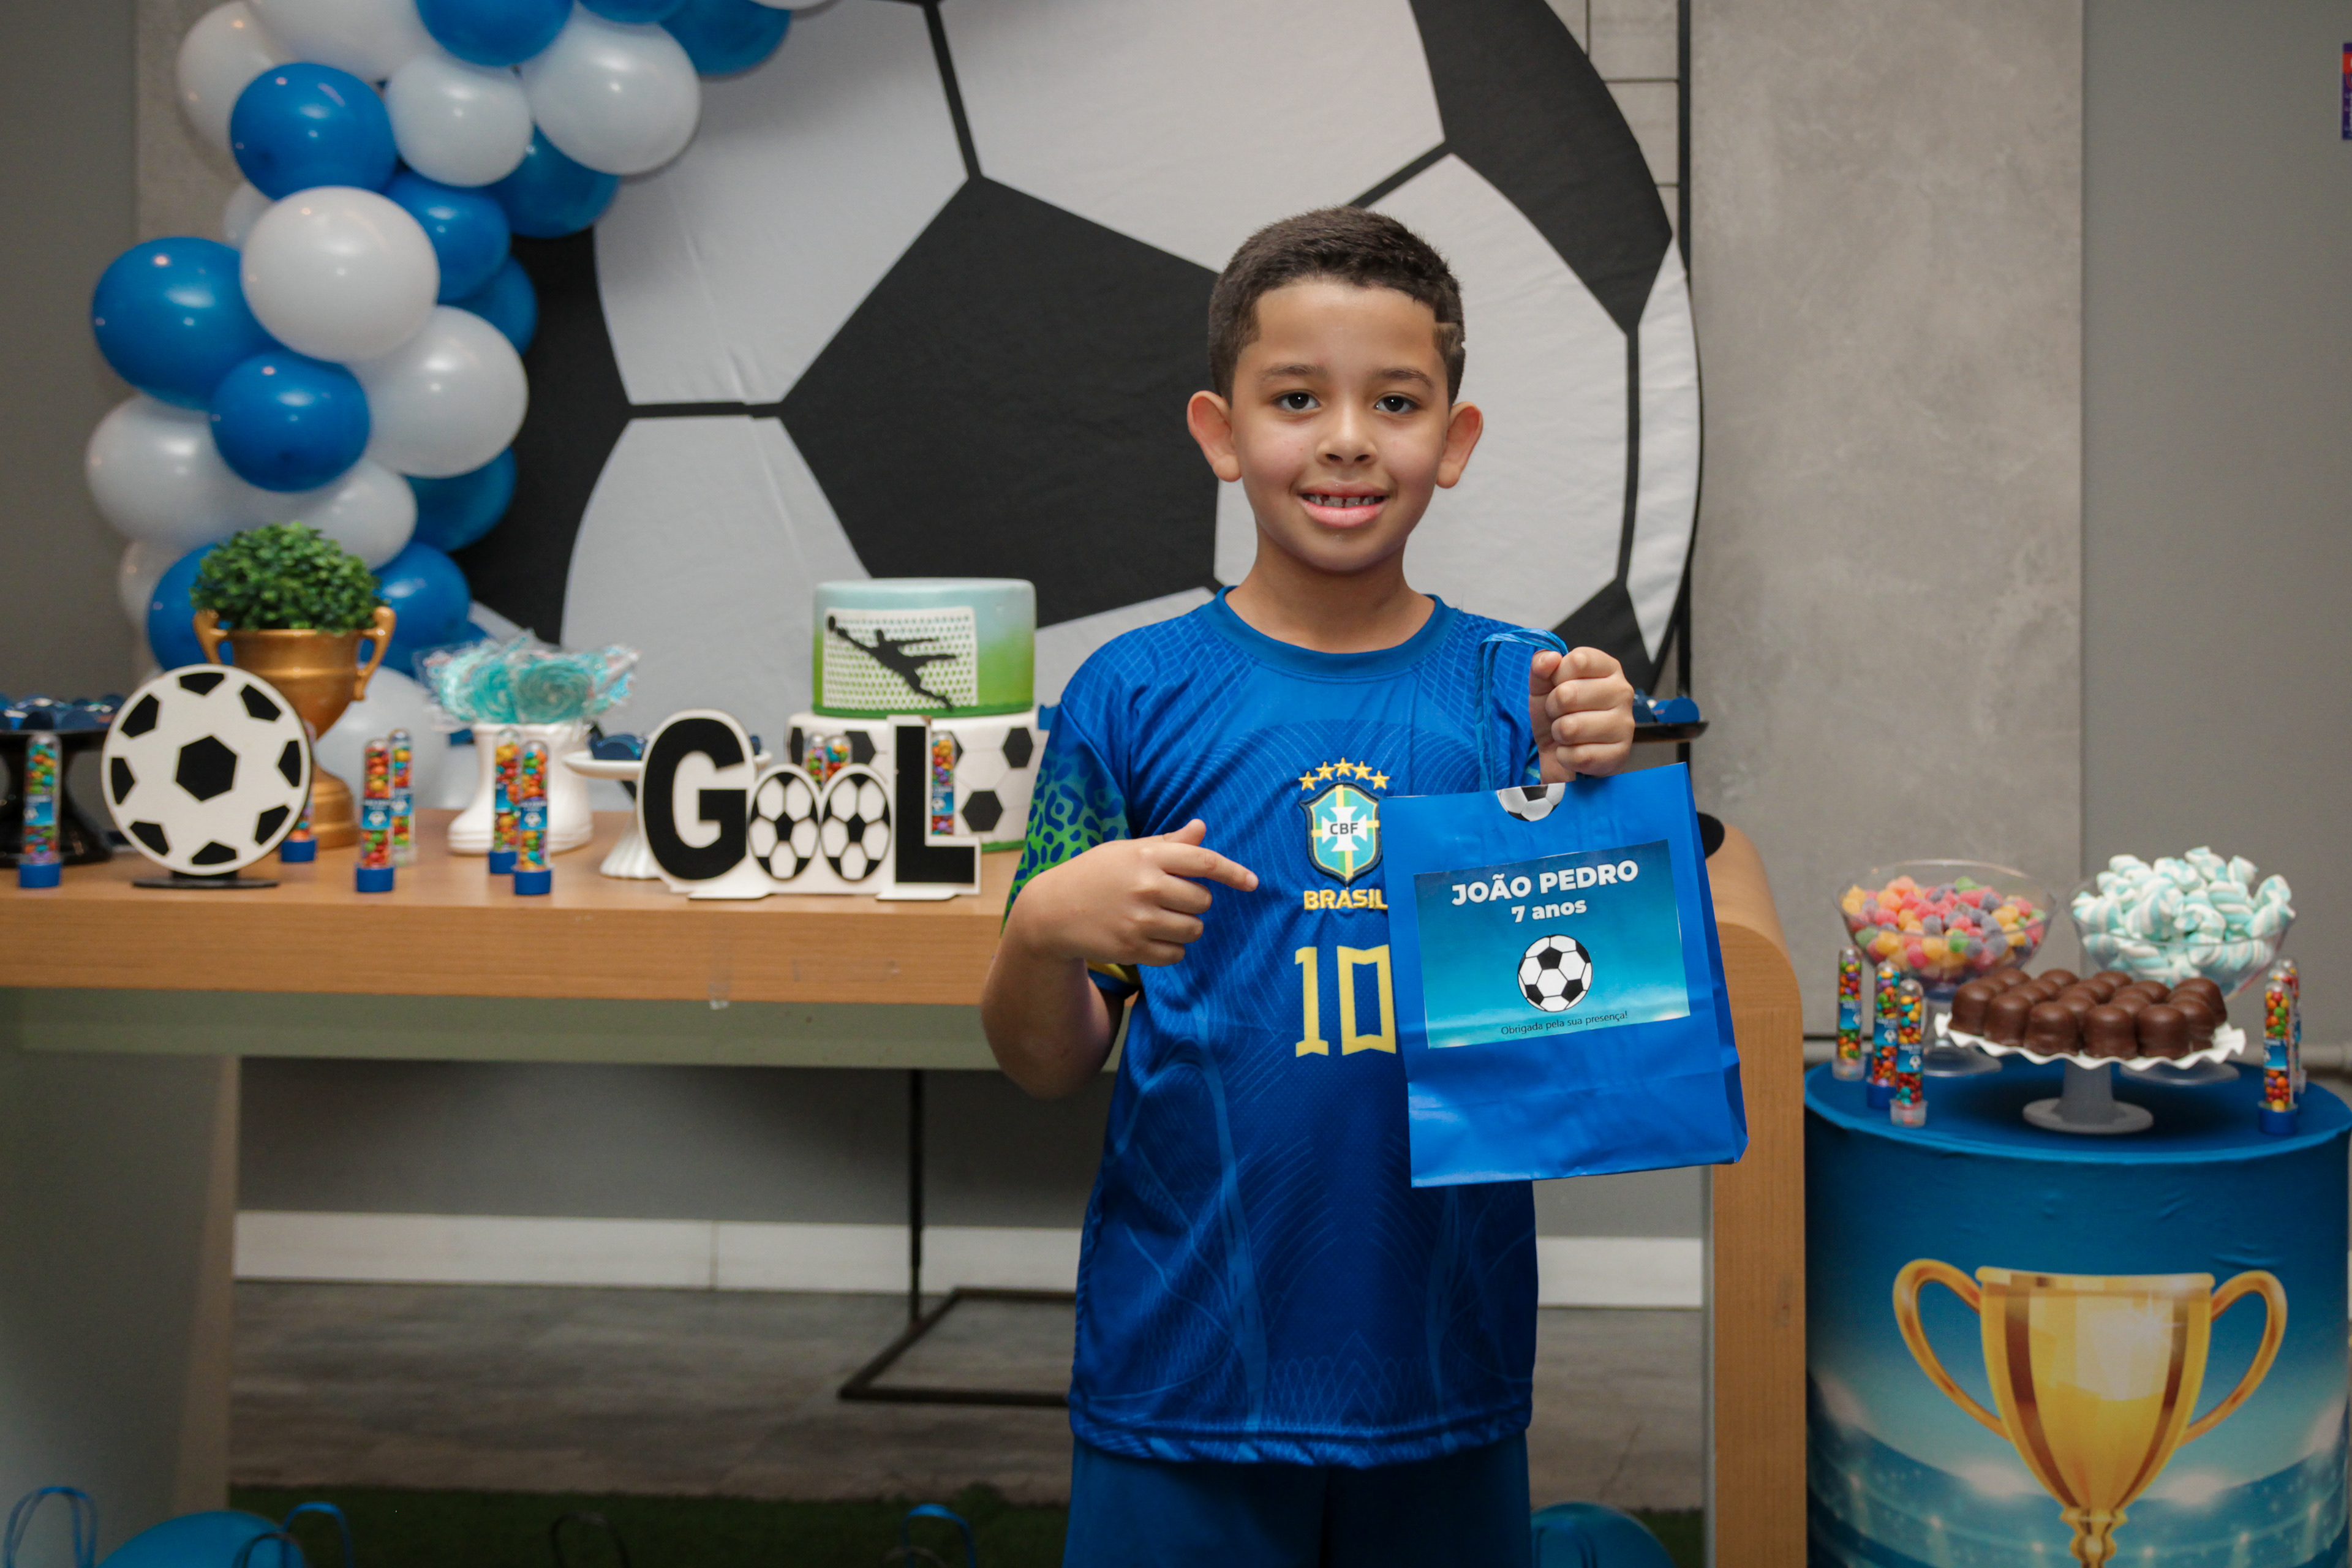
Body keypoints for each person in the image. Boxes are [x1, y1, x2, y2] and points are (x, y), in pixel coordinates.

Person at [981, 206, 1638, 1567]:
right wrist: (1041, 932)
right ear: (1220, 433)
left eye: (1394, 401)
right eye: (1296, 399)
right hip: (1185, 1373)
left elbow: (1589, 1029)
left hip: (1441, 1367)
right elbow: (1046, 1063)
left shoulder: (1519, 693)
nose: (1346, 438)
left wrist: (1599, 776)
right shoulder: (1130, 694)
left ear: (1454, 440)